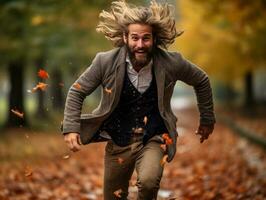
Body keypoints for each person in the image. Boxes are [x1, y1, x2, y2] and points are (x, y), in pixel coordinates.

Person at [61, 1, 215, 199]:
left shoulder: (171, 62)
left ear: (154, 39)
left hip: (154, 138)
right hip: (118, 141)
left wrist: (207, 118)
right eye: (134, 38)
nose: (140, 45)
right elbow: (77, 91)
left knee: (149, 183)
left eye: (146, 38)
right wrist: (71, 127)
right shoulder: (105, 62)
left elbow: (201, 80)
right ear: (125, 37)